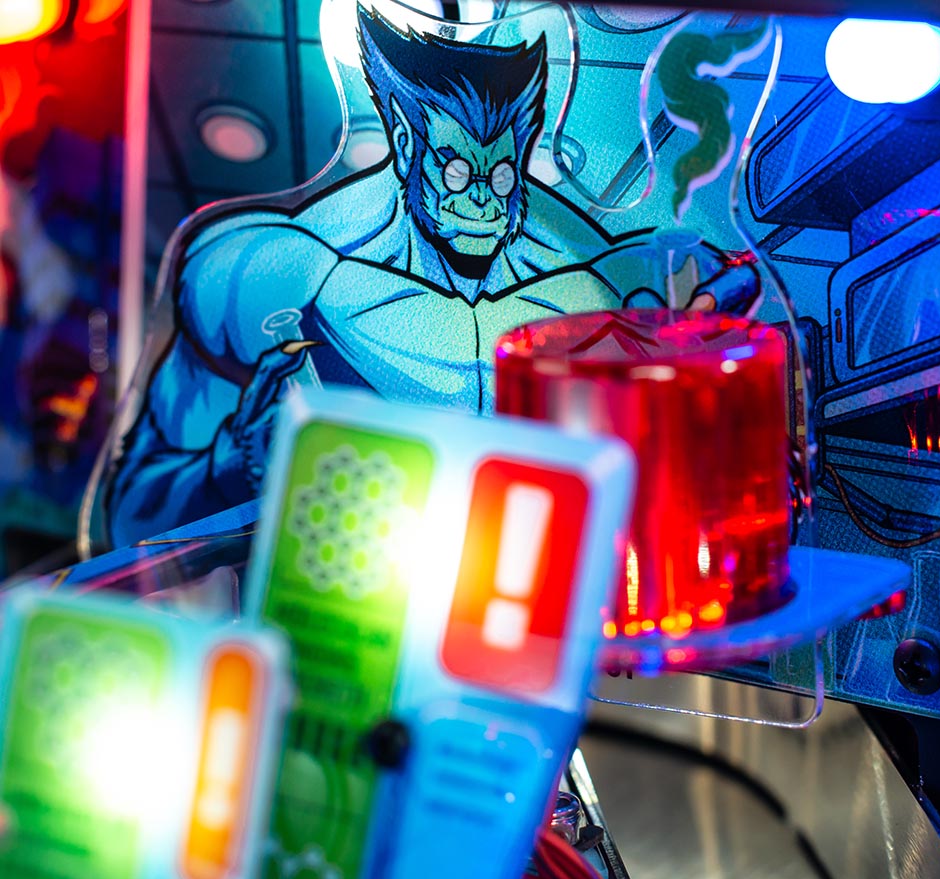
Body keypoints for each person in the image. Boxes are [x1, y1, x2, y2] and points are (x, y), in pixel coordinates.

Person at [107, 7, 758, 545]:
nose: (483, 202)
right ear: (405, 143)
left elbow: (726, 286)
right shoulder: (266, 275)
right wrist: (236, 461)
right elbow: (134, 517)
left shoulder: (596, 281)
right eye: (456, 170)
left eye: (500, 174)